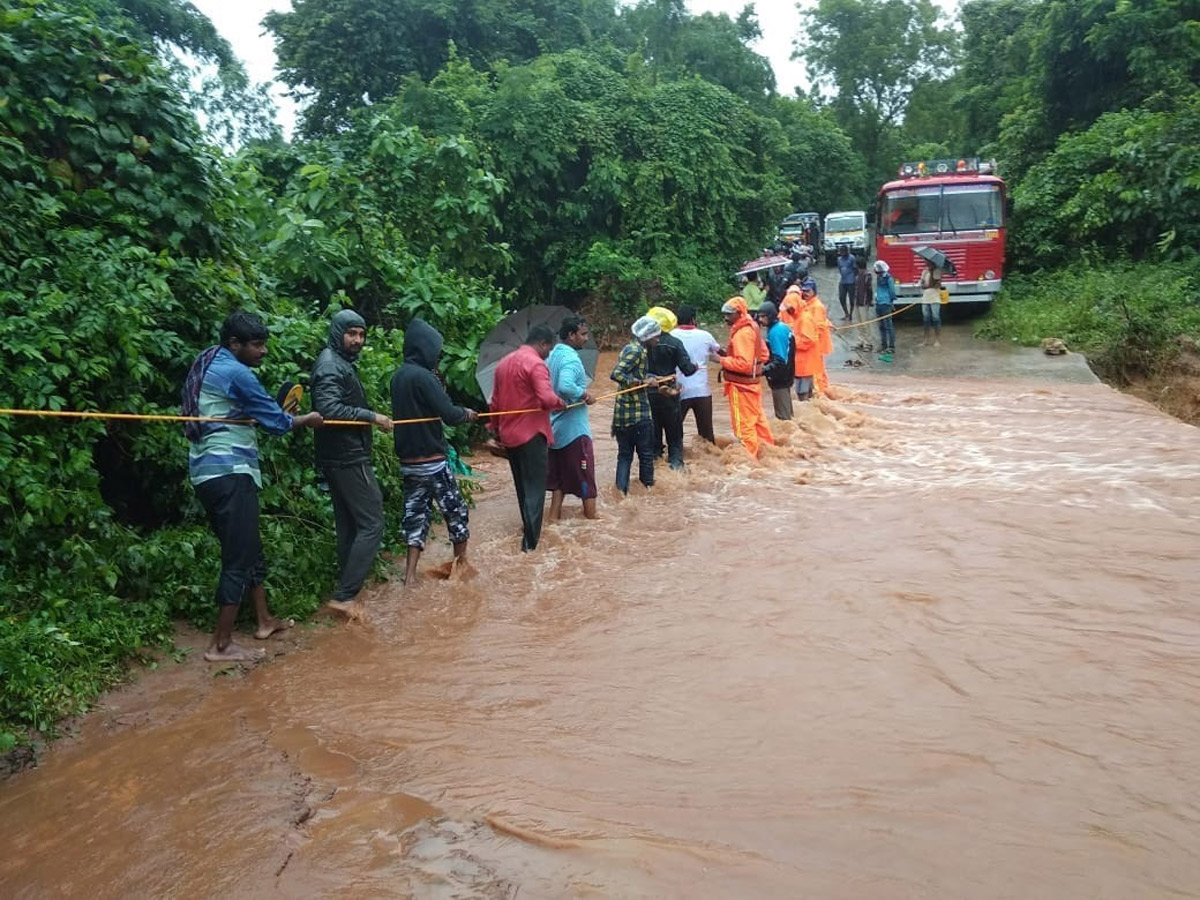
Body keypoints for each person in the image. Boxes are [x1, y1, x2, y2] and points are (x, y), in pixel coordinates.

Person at [183, 311, 323, 662]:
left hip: (207, 472)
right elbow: (276, 423)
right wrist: (304, 419)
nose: (262, 352)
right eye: (257, 345)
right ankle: (221, 645)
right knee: (237, 556)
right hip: (229, 470)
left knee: (248, 547)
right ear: (235, 344)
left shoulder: (207, 360)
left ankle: (263, 620)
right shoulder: (236, 373)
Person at [311, 310, 393, 615]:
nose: (357, 340)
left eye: (361, 334)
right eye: (351, 334)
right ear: (337, 333)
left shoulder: (339, 363)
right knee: (373, 523)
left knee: (349, 525)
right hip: (347, 456)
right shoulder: (330, 365)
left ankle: (344, 590)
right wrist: (372, 417)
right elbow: (329, 409)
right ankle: (345, 595)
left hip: (339, 455)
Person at [390, 318, 479, 584]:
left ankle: (409, 578)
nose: (437, 357)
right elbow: (450, 415)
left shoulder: (398, 377)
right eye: (436, 352)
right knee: (456, 512)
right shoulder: (424, 377)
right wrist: (467, 414)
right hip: (433, 462)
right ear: (424, 349)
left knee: (415, 517)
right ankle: (460, 568)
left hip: (409, 463)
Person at [490, 325, 566, 551]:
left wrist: (496, 431)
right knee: (535, 489)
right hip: (532, 435)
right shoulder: (536, 364)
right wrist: (560, 403)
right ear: (542, 343)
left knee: (522, 487)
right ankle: (530, 547)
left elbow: (494, 403)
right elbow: (546, 397)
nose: (549, 354)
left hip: (509, 435)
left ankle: (527, 534)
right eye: (549, 349)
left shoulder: (503, 363)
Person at [546, 315, 598, 521]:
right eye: (583, 334)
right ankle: (593, 520)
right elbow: (565, 386)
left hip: (554, 429)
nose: (586, 339)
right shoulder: (571, 358)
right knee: (587, 480)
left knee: (558, 481)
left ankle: (552, 519)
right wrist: (585, 394)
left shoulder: (550, 355)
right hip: (574, 431)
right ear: (571, 335)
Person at [719, 297, 774, 459]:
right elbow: (764, 354)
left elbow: (744, 364)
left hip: (740, 387)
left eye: (729, 315)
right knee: (758, 422)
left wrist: (721, 360)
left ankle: (748, 464)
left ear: (738, 313)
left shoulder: (742, 333)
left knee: (744, 427)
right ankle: (768, 454)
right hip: (753, 385)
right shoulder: (753, 327)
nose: (726, 318)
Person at [610, 316, 659, 493]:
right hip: (637, 414)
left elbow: (634, 374)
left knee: (624, 456)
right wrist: (641, 383)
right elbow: (616, 374)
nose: (657, 339)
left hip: (623, 415)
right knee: (646, 456)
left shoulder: (633, 349)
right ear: (646, 336)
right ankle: (648, 493)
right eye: (655, 336)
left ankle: (620, 494)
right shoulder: (636, 351)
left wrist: (655, 379)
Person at [645, 306, 698, 471]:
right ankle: (676, 470)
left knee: (653, 436)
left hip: (648, 393)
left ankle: (653, 471)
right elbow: (687, 370)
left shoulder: (643, 343)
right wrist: (695, 367)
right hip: (670, 394)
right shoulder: (675, 343)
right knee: (674, 437)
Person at [671, 305, 721, 443]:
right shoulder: (705, 335)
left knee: (674, 432)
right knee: (707, 436)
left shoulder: (671, 336)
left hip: (679, 390)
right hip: (702, 391)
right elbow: (718, 353)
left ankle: (675, 459)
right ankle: (710, 461)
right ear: (693, 320)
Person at [758, 301, 796, 421]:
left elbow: (779, 360)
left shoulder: (776, 332)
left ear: (770, 316)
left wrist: (761, 371)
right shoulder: (780, 327)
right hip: (785, 377)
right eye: (759, 316)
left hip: (780, 379)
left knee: (784, 419)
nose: (760, 319)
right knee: (787, 415)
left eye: (763, 316)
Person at [801, 278, 833, 396]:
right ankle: (822, 389)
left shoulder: (816, 306)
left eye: (808, 291)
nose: (805, 293)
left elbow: (819, 327)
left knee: (817, 369)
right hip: (814, 343)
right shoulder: (809, 304)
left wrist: (811, 342)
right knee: (818, 368)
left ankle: (819, 392)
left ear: (814, 291)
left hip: (816, 344)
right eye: (804, 291)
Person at [789, 286, 820, 402]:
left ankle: (808, 414)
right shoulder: (799, 317)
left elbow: (808, 341)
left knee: (803, 392)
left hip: (805, 362)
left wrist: (792, 340)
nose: (788, 312)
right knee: (806, 391)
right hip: (803, 362)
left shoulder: (804, 318)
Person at [874, 260, 898, 362]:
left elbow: (892, 292)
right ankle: (884, 345)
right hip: (879, 303)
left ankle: (891, 346)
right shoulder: (879, 278)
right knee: (881, 326)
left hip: (886, 304)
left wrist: (891, 302)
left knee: (888, 326)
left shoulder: (889, 278)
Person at [920, 259, 943, 347]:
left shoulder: (937, 272)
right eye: (926, 263)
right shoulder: (924, 272)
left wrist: (928, 285)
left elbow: (938, 284)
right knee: (926, 319)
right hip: (925, 298)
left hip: (935, 299)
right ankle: (925, 340)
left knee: (936, 318)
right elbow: (922, 284)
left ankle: (937, 340)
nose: (927, 264)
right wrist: (925, 285)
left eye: (929, 263)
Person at [835, 245, 856, 321]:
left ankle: (851, 314)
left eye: (843, 252)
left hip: (851, 281)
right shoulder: (839, 259)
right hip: (843, 281)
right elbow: (839, 269)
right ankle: (846, 313)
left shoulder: (852, 258)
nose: (841, 253)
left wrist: (854, 278)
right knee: (841, 297)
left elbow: (855, 269)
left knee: (851, 299)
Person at [853, 256, 874, 325]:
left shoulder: (867, 275)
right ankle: (862, 336)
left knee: (864, 323)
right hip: (857, 301)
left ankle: (866, 336)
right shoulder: (857, 275)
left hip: (864, 301)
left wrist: (870, 300)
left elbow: (869, 289)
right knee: (859, 323)